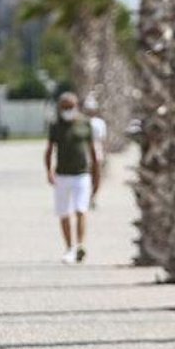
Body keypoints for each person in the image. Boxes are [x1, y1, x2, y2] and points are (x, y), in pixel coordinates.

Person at [45, 92, 100, 264]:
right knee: (64, 212)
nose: (68, 110)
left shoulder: (85, 124)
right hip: (62, 175)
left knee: (81, 209)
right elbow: (49, 150)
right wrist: (49, 171)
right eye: (65, 107)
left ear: (77, 106)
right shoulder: (56, 126)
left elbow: (92, 150)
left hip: (82, 174)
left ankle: (80, 245)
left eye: (71, 107)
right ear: (60, 108)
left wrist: (96, 174)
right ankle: (69, 247)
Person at [82, 93, 107, 209]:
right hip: (84, 152)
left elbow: (102, 140)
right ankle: (85, 197)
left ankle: (92, 197)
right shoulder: (81, 122)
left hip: (97, 151)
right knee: (85, 176)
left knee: (97, 176)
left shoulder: (100, 123)